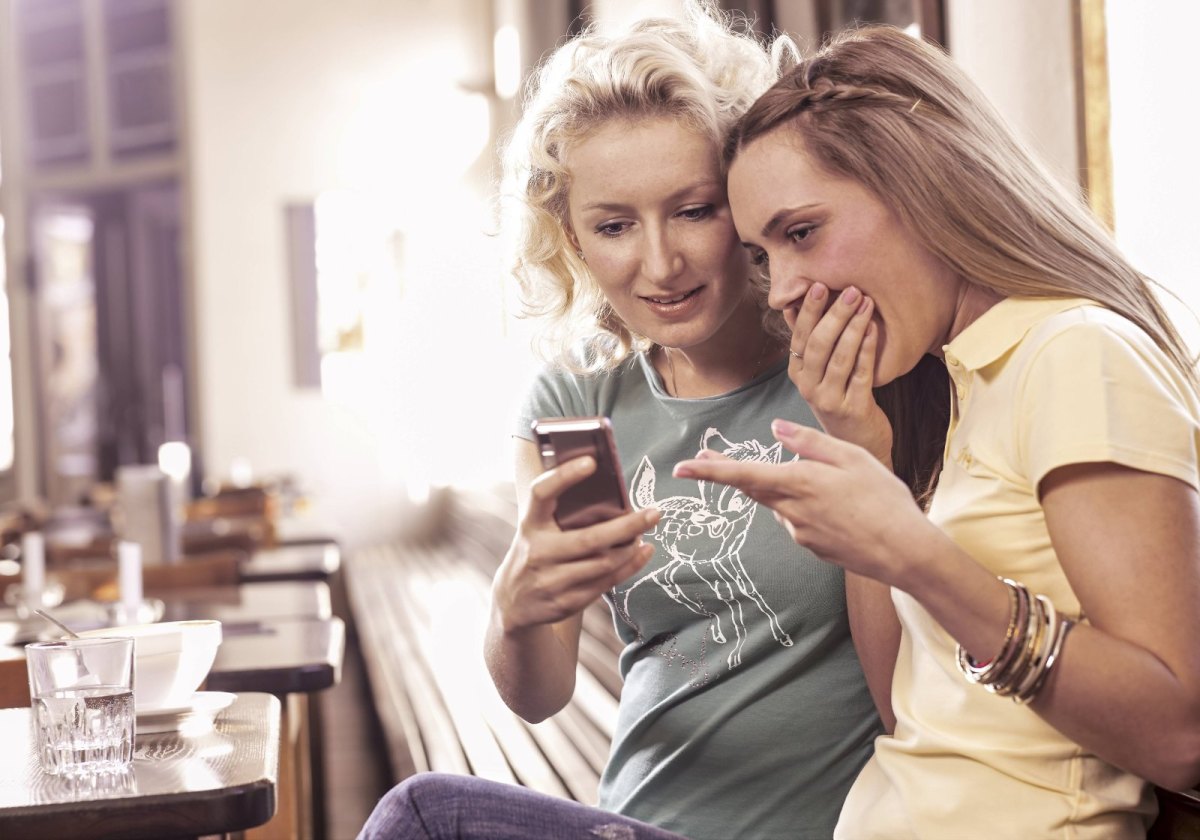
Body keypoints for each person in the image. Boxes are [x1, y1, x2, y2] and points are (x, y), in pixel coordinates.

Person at [359, 4, 891, 839]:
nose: (659, 263)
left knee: (421, 817)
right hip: (637, 823)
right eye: (613, 226)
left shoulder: (845, 368)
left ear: (746, 201)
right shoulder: (575, 401)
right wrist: (518, 601)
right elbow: (538, 696)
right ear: (569, 237)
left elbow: (912, 687)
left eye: (694, 210)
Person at [673, 24, 1200, 839]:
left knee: (432, 813)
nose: (781, 292)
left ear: (923, 185)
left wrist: (919, 556)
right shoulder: (960, 382)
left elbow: (1180, 736)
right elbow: (903, 714)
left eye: (801, 232)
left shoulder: (1072, 353)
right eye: (762, 256)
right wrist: (859, 450)